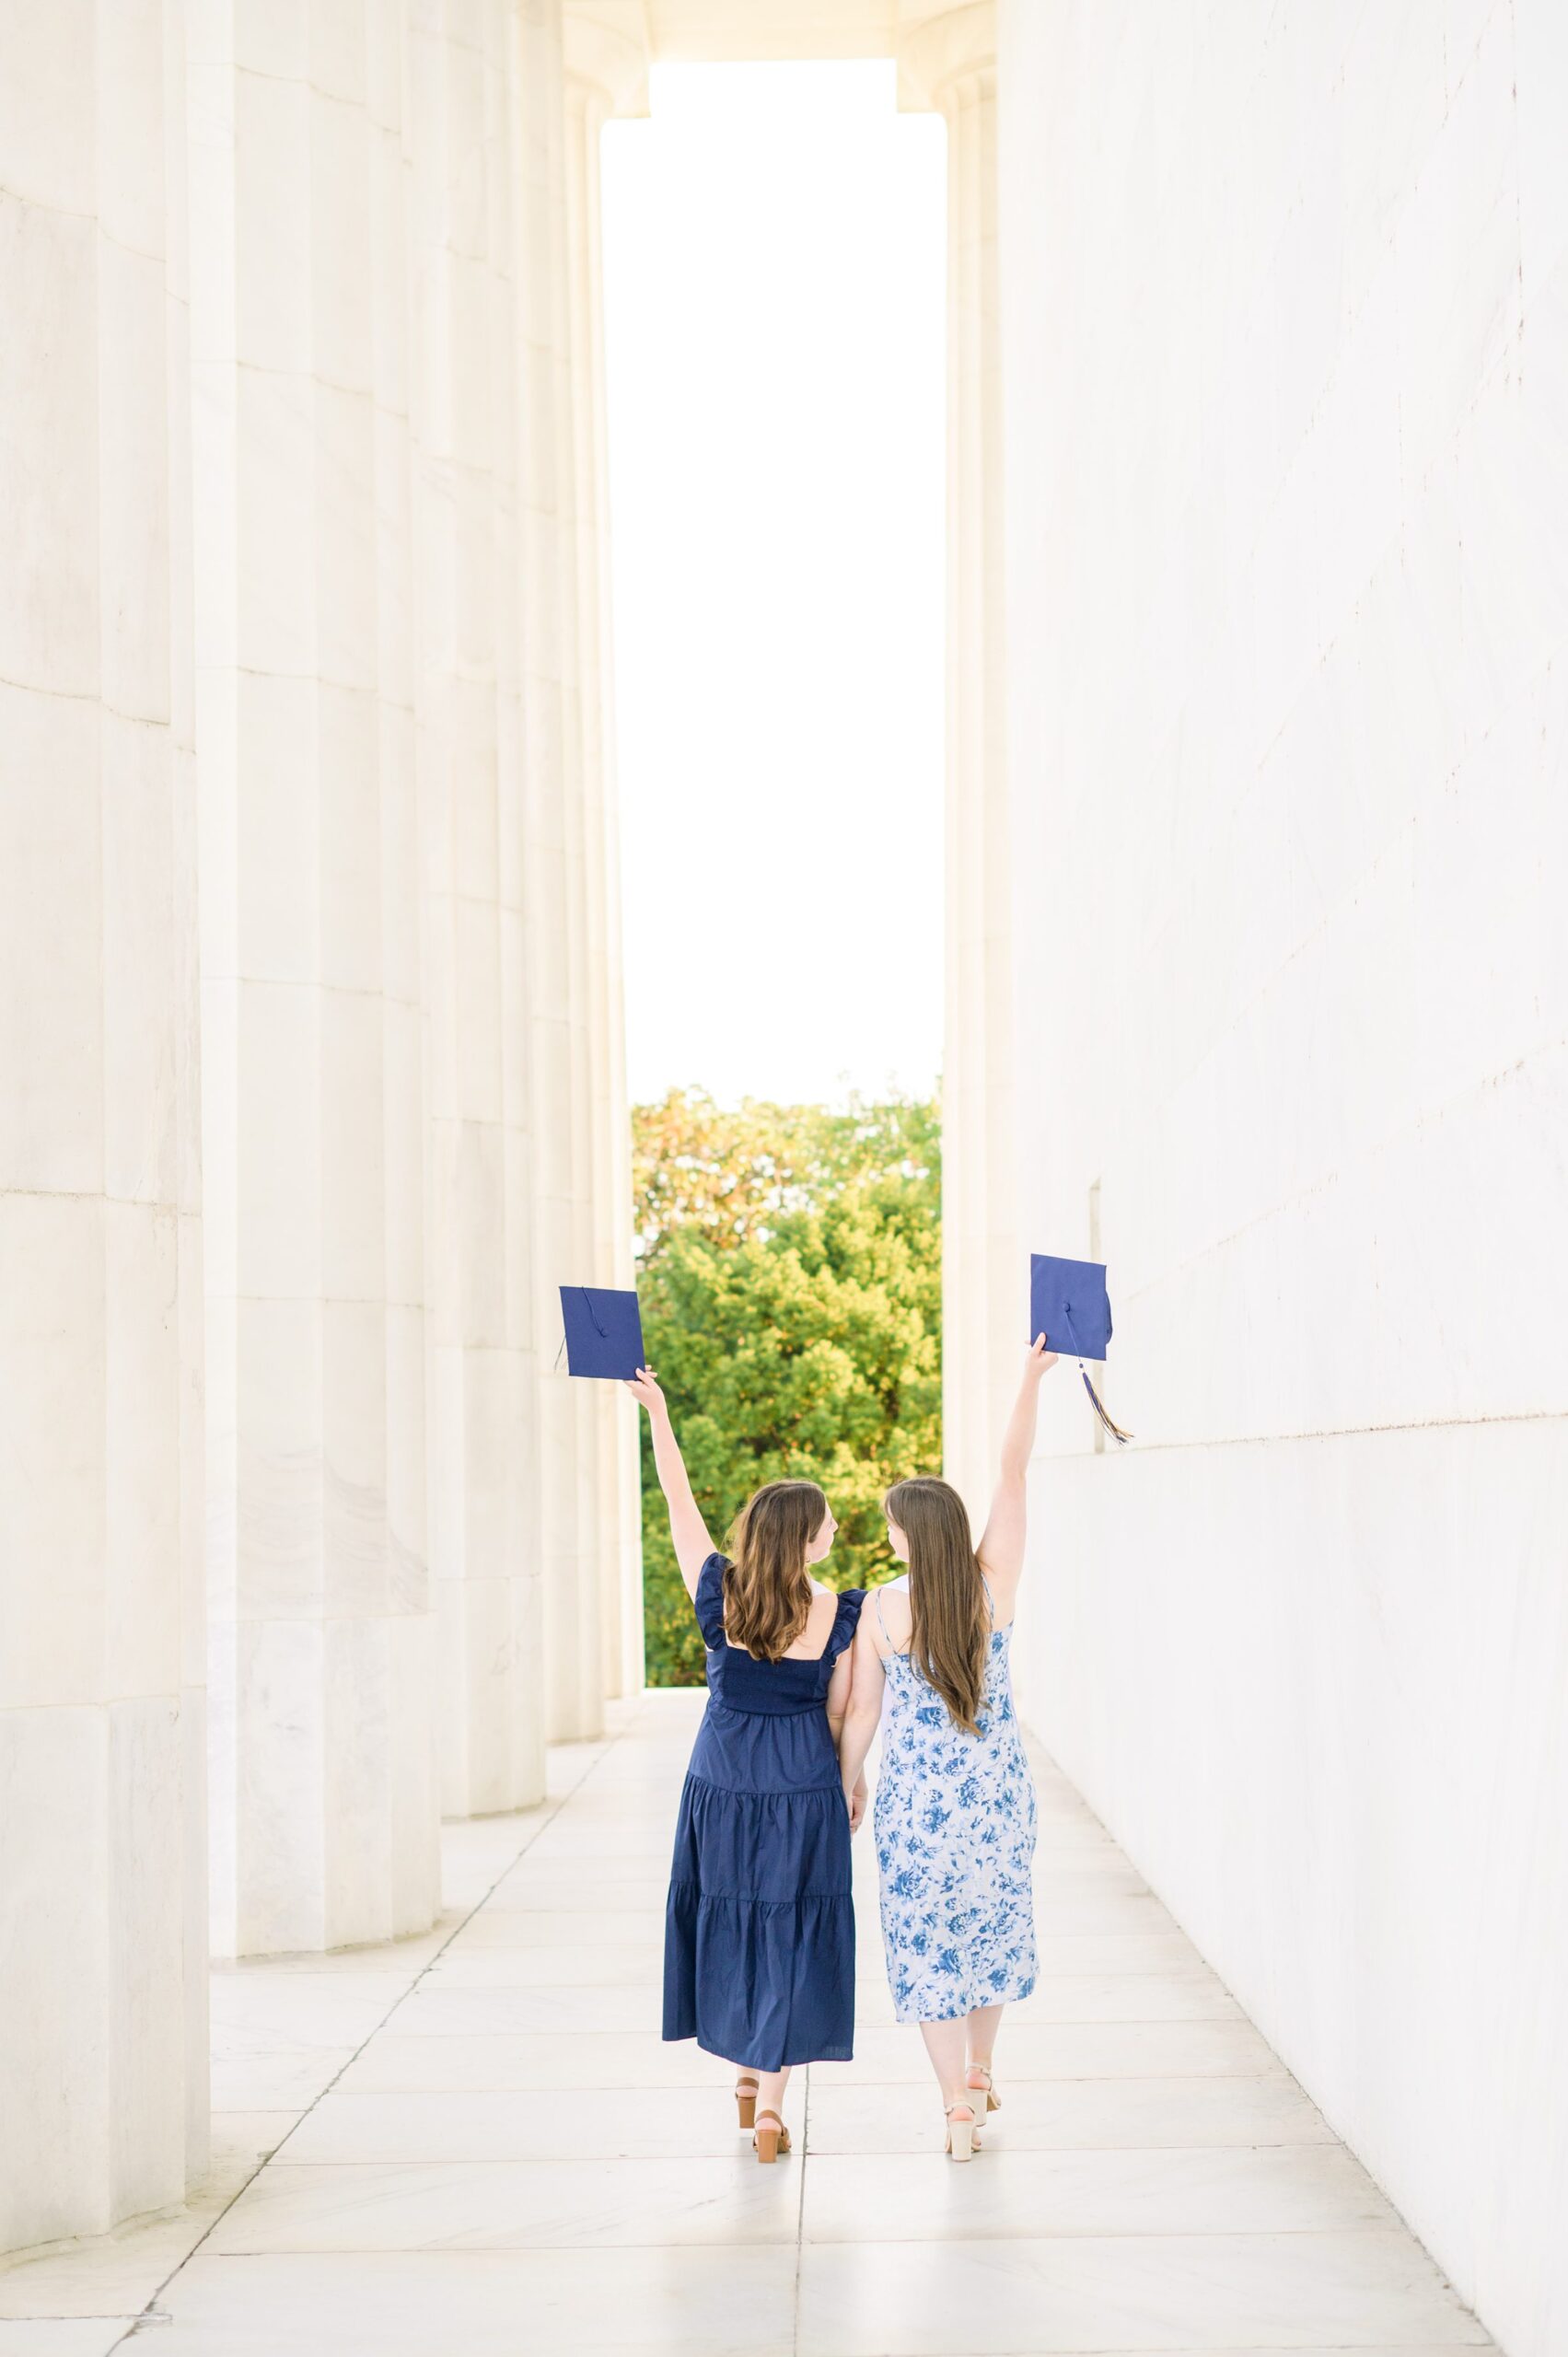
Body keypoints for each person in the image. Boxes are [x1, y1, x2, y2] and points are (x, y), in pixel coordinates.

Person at [626, 1365, 865, 2163]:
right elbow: (843, 1709)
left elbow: (676, 1499)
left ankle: (739, 2077)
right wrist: (848, 1776)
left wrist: (658, 1411)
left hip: (722, 1777)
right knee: (790, 1927)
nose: (834, 1529)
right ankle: (768, 2107)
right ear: (803, 1536)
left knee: (732, 1917)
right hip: (800, 1779)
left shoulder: (717, 1590)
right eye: (826, 1522)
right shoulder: (838, 1610)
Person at [837, 1335, 1058, 2159]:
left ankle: (952, 2108)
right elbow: (1012, 1473)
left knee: (930, 1948)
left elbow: (860, 1710)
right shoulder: (990, 1590)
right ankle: (981, 2070)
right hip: (998, 1801)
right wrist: (1030, 1380)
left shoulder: (880, 1611)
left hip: (916, 1812)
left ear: (903, 1536)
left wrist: (847, 1782)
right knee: (990, 1935)